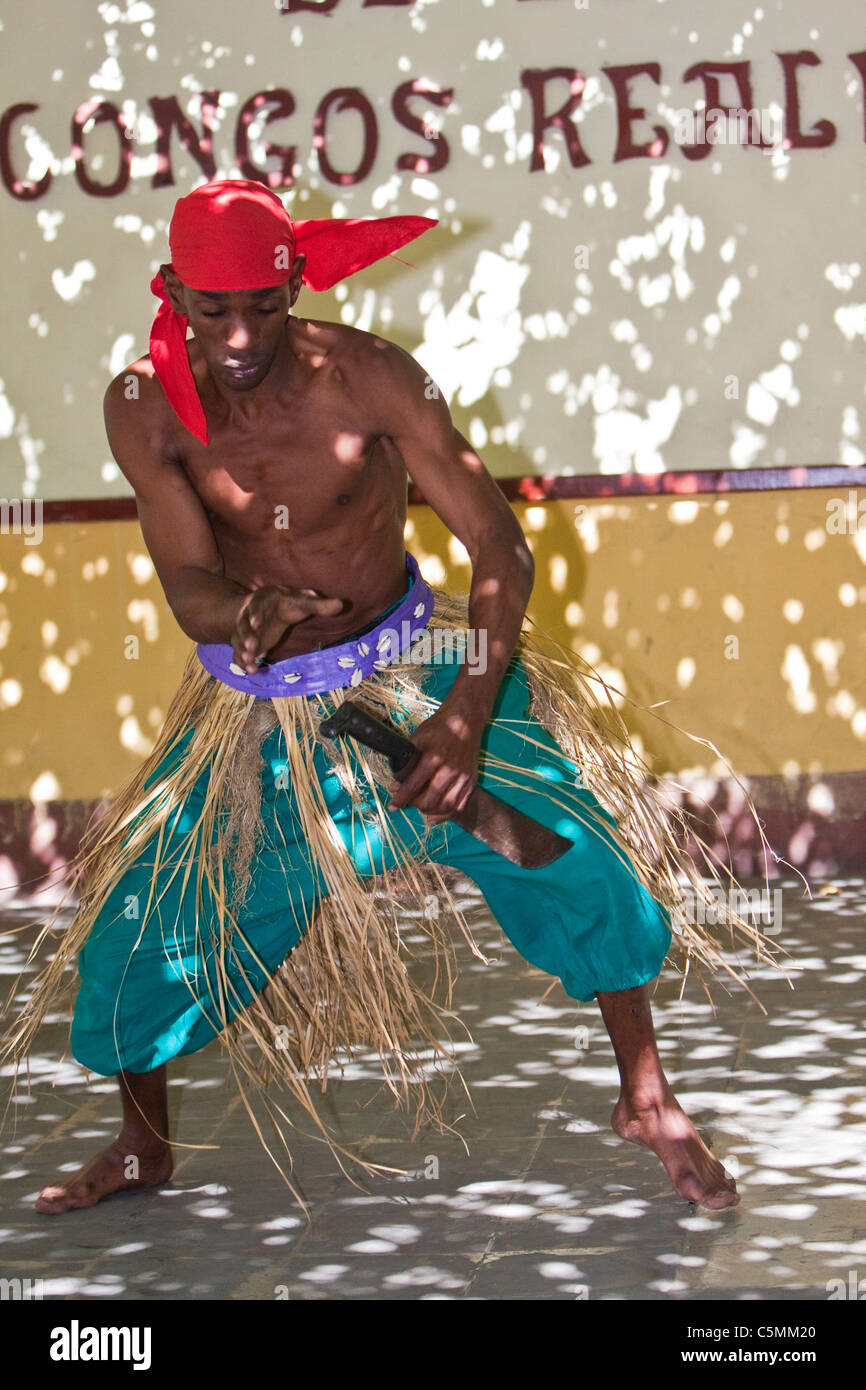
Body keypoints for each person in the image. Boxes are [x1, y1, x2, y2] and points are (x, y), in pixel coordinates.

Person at [7, 180, 774, 1216]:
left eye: (263, 307)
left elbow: (496, 541)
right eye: (212, 309)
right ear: (173, 292)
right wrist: (238, 611)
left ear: (293, 284)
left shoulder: (367, 377)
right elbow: (185, 579)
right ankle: (143, 1140)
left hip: (419, 662)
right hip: (263, 714)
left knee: (563, 850)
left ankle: (644, 1094)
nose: (240, 336)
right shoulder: (142, 405)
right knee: (143, 930)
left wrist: (465, 711)